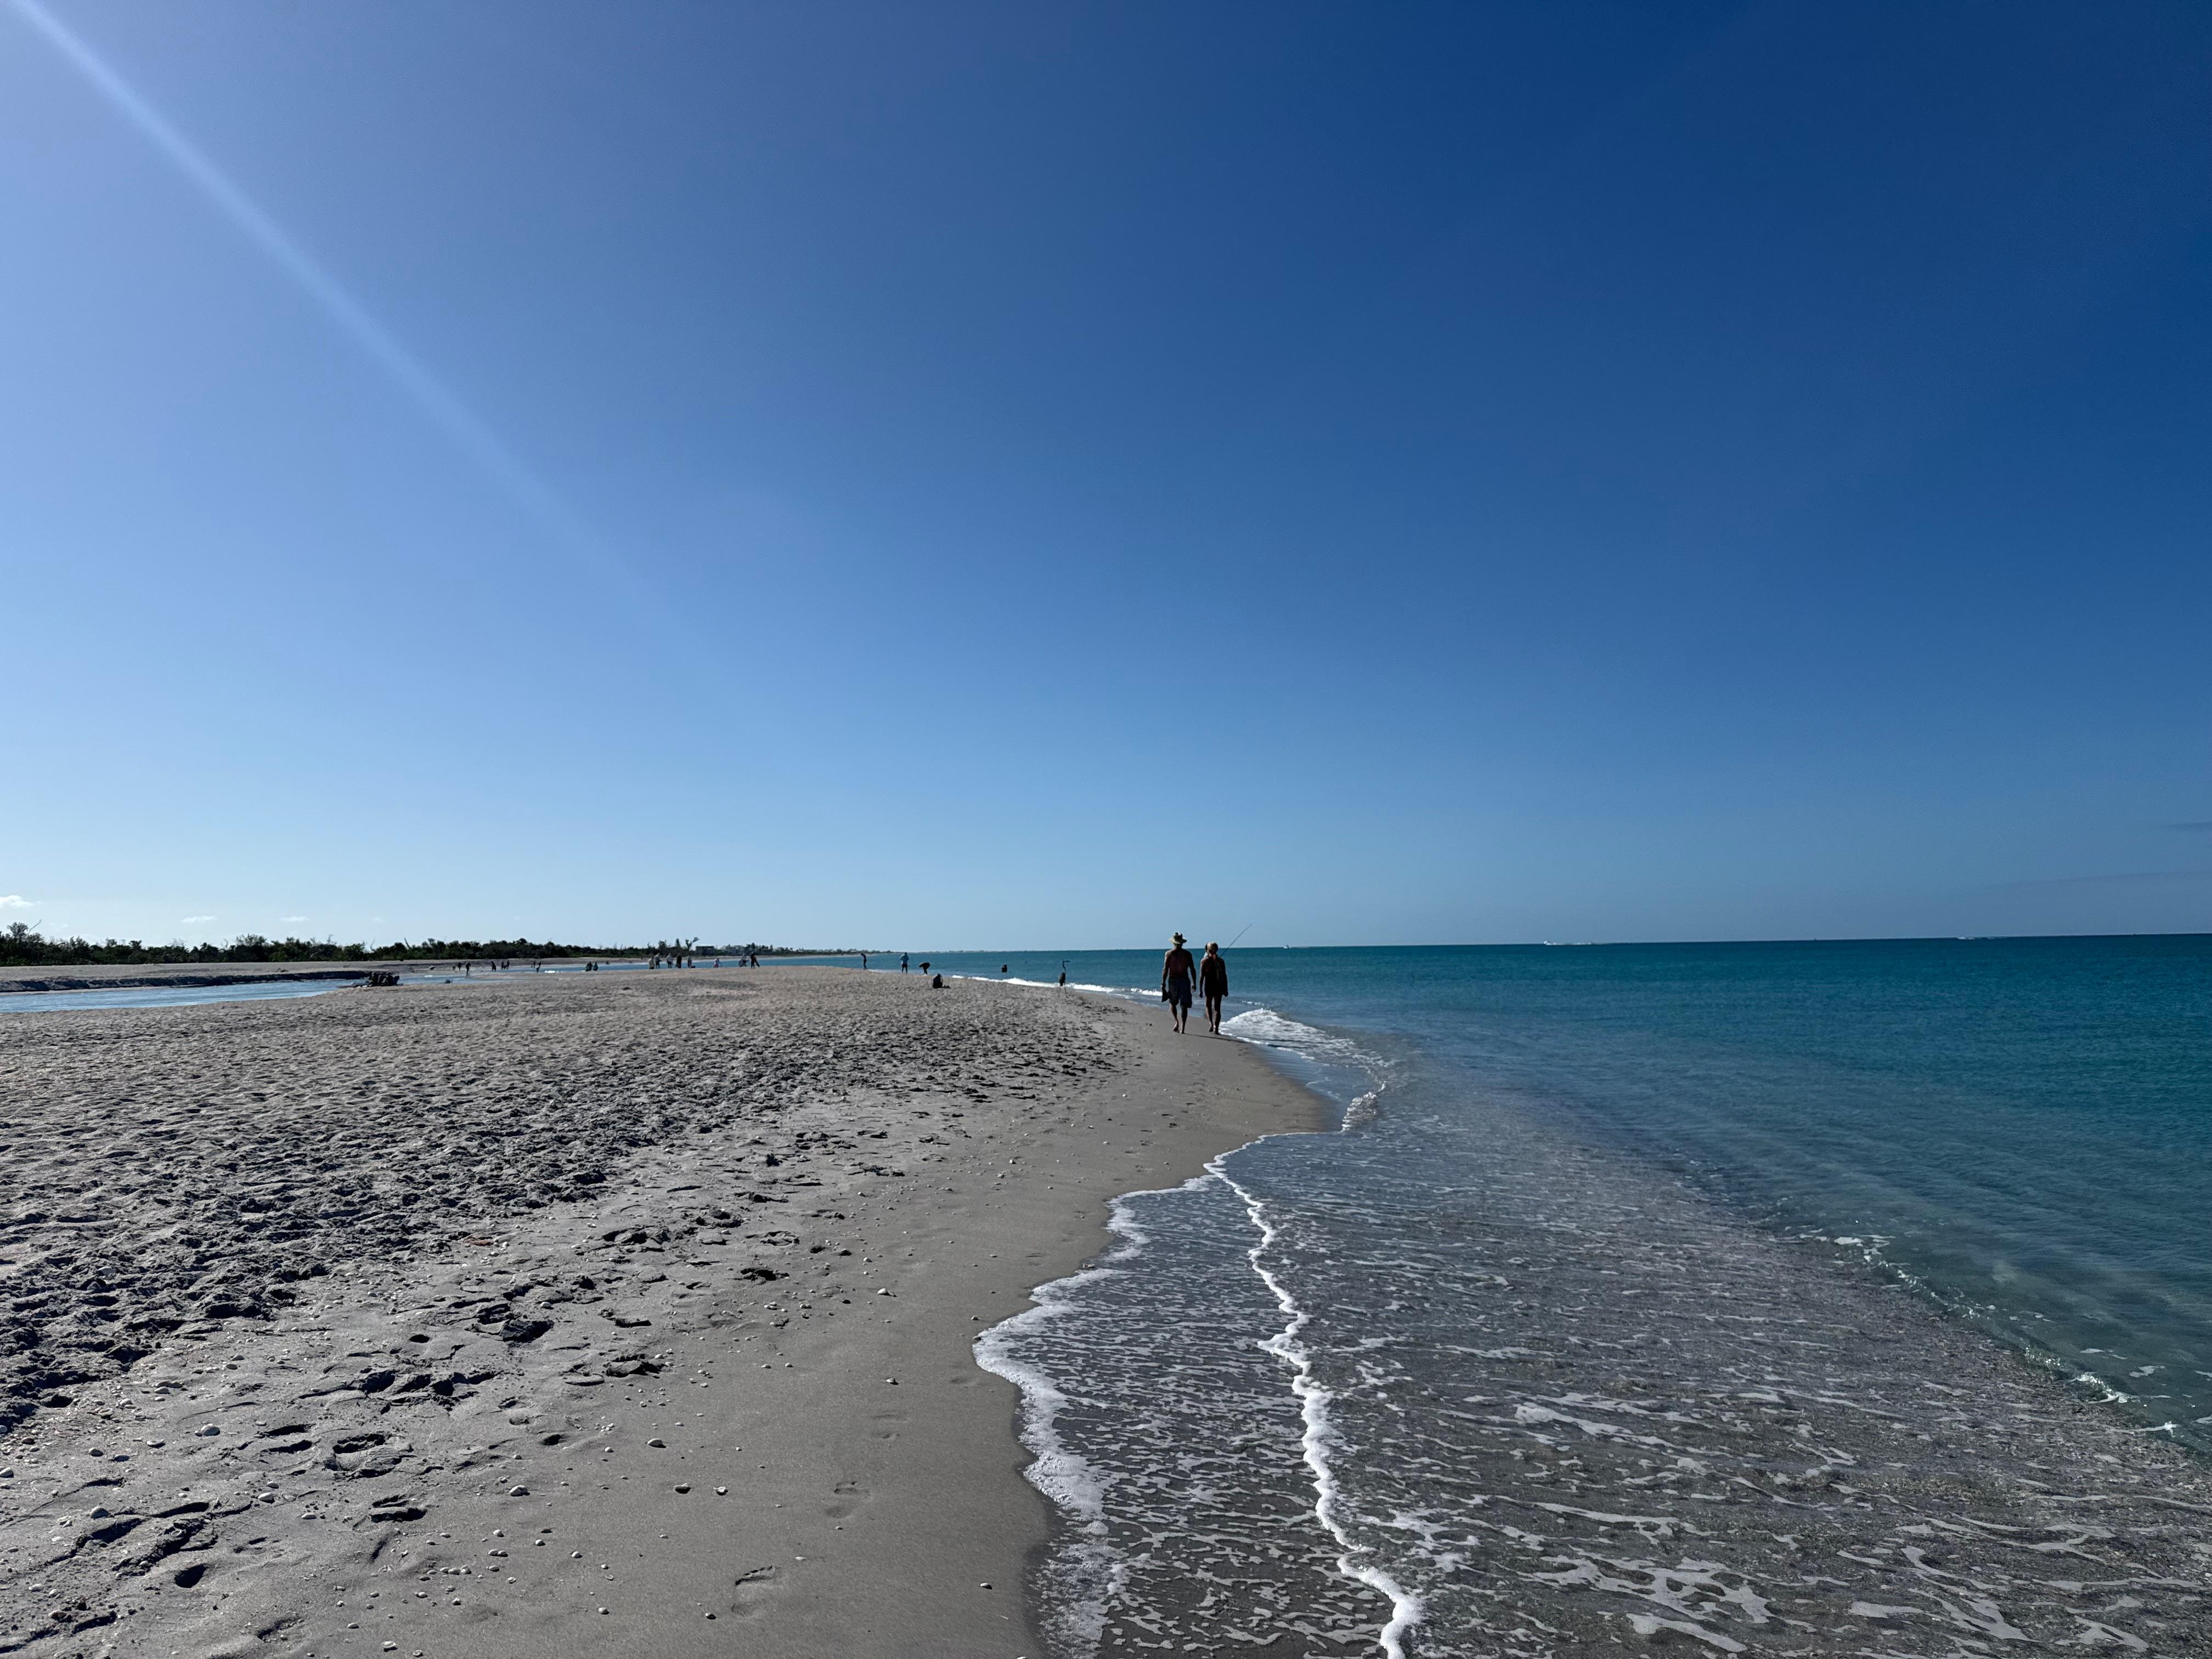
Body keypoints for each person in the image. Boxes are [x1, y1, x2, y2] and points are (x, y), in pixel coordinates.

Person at [1161, 932, 1195, 1034]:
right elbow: (1192, 969)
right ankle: (1182, 1026)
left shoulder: (1169, 954)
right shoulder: (1187, 954)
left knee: (1173, 1003)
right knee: (1182, 1005)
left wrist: (1163, 983)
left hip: (1175, 980)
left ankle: (1177, 1022)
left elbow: (1165, 970)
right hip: (1182, 980)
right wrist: (1194, 982)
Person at [1200, 941, 1229, 1035]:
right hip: (1219, 986)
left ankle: (1211, 1024)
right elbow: (1224, 976)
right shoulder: (1221, 961)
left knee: (1208, 1006)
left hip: (1209, 986)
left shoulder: (1204, 961)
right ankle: (1217, 1029)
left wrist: (1200, 989)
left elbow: (1202, 976)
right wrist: (1226, 989)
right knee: (1217, 1008)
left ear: (1208, 950)